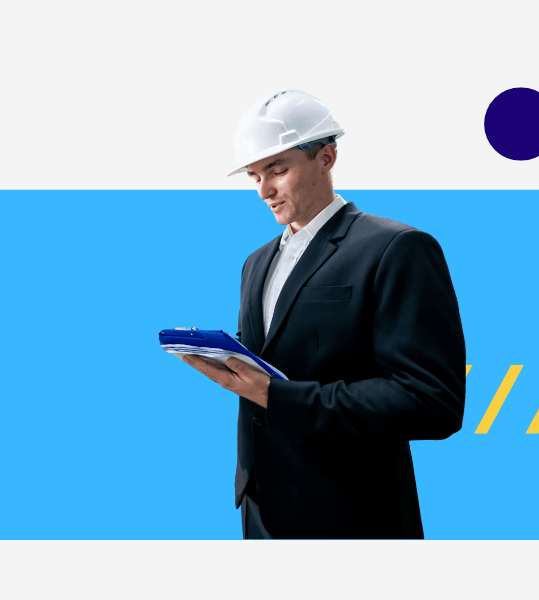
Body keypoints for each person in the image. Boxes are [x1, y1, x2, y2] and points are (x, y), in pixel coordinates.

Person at [181, 90, 466, 539]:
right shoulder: (256, 263)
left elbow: (432, 402)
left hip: (352, 514)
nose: (263, 190)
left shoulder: (396, 249)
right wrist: (223, 358)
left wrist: (280, 396)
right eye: (255, 175)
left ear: (327, 157)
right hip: (261, 510)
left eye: (278, 170)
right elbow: (273, 357)